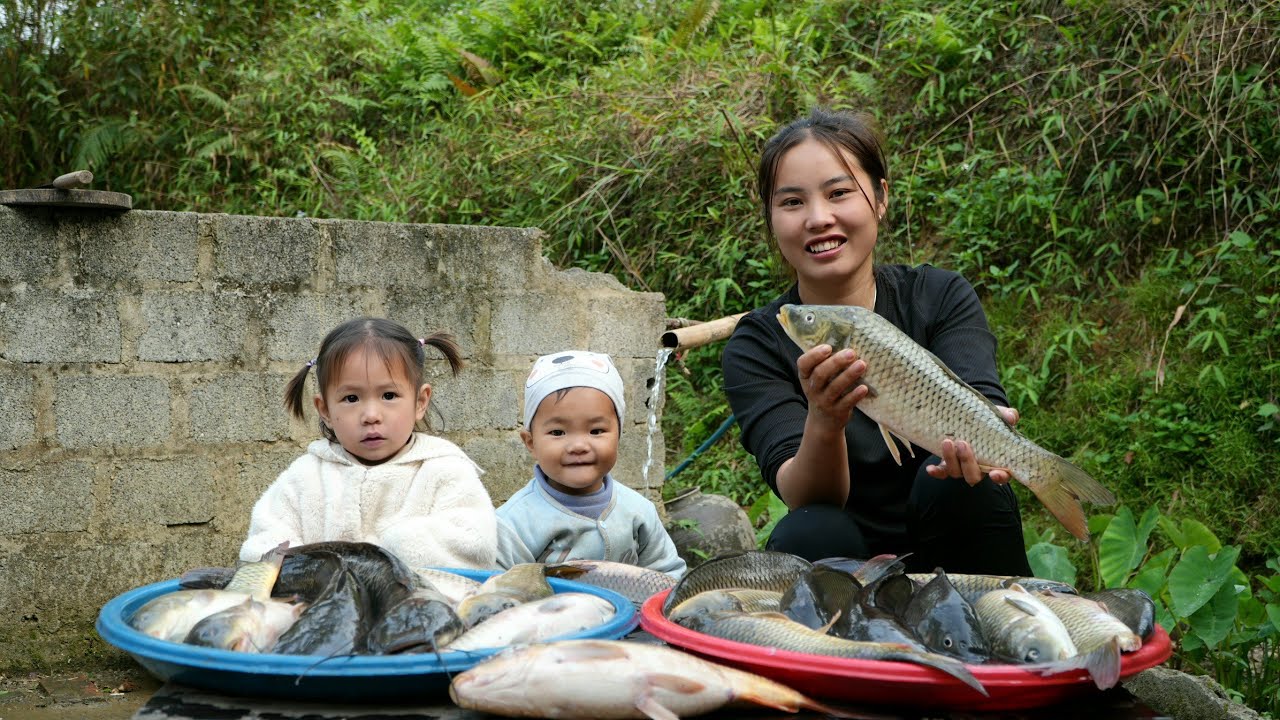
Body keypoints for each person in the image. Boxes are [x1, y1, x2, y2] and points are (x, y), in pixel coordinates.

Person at [721, 107, 1032, 575]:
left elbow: (979, 397)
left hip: (953, 528)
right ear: (770, 218)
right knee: (807, 528)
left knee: (958, 486)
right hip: (845, 552)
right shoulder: (758, 345)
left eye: (839, 192)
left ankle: (1001, 634)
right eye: (791, 202)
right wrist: (824, 417)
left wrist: (993, 434)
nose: (818, 218)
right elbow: (805, 497)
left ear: (880, 197)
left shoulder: (939, 295)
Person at [240, 317, 498, 570]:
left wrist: (389, 553)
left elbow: (475, 546)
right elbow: (262, 549)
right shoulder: (304, 478)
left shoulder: (445, 471)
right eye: (351, 398)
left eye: (389, 395)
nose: (371, 415)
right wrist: (316, 571)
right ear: (325, 409)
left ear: (420, 401)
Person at [494, 350, 686, 578]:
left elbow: (667, 576)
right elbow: (500, 593)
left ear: (619, 435)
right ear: (531, 442)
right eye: (558, 432)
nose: (578, 445)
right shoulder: (513, 525)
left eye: (596, 431)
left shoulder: (639, 511)